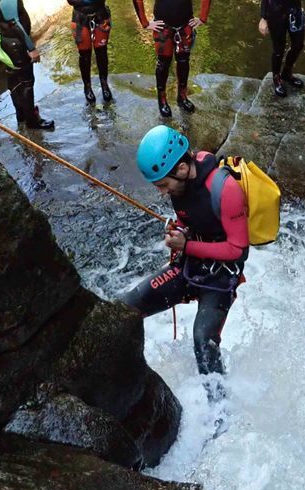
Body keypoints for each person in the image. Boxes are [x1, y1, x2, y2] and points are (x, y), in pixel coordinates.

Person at [122, 125, 249, 380]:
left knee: (203, 343)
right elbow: (191, 216)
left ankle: (219, 415)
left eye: (162, 185)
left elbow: (238, 250)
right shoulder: (179, 182)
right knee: (126, 308)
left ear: (181, 169)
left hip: (221, 277)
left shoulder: (226, 190)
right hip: (190, 265)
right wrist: (179, 229)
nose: (161, 192)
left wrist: (186, 245)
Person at [131, 0, 211, 117]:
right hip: (163, 26)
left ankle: (182, 96)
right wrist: (144, 22)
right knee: (163, 63)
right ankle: (162, 99)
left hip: (185, 23)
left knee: (183, 61)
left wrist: (203, 17)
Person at [0, 0, 54, 129]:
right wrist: (31, 48)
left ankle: (21, 116)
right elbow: (14, 23)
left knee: (14, 78)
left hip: (6, 40)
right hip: (16, 44)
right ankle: (32, 121)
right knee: (26, 81)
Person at [258, 0, 305, 97]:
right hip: (275, 12)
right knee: (279, 49)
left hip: (295, 10)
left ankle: (286, 73)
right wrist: (263, 18)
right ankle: (276, 78)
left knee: (298, 45)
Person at [67, 0, 113, 104]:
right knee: (84, 54)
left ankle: (104, 84)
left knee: (101, 52)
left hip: (101, 14)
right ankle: (87, 87)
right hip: (80, 16)